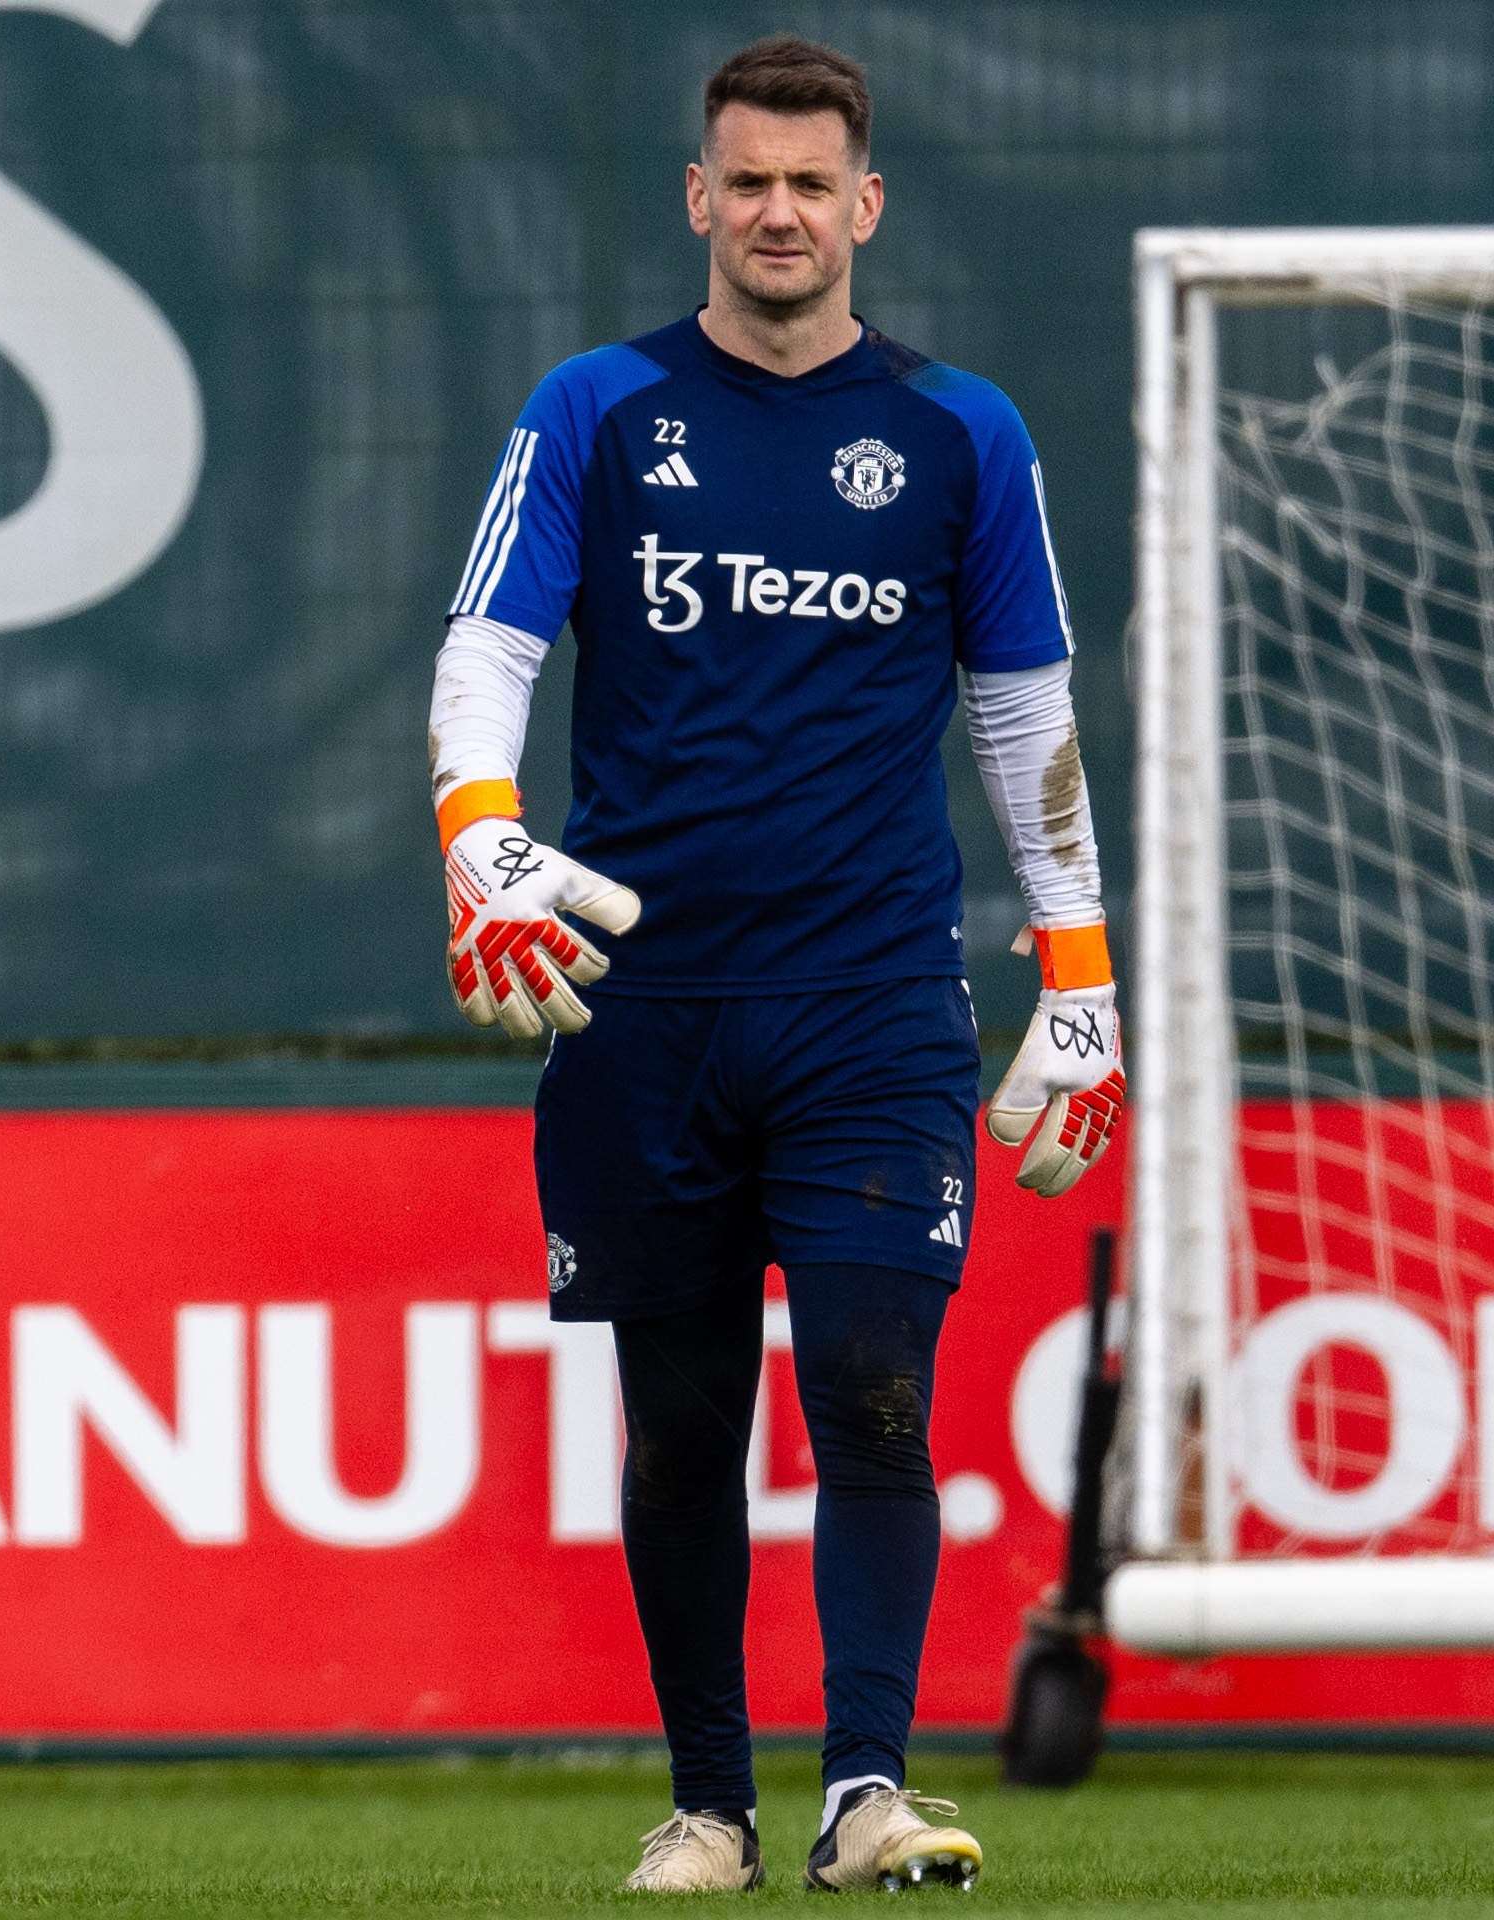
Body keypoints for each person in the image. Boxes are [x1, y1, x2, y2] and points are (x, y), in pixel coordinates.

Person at [422, 32, 1121, 1895]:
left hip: (876, 1000)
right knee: (676, 1426)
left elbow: (1025, 714)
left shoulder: (965, 432)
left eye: (816, 183)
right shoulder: (593, 407)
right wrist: (476, 834)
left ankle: (869, 1786)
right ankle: (710, 1806)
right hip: (639, 1006)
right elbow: (487, 644)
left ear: (866, 206)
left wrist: (1081, 979)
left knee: (878, 1395)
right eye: (751, 179)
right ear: (698, 199)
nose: (782, 211)